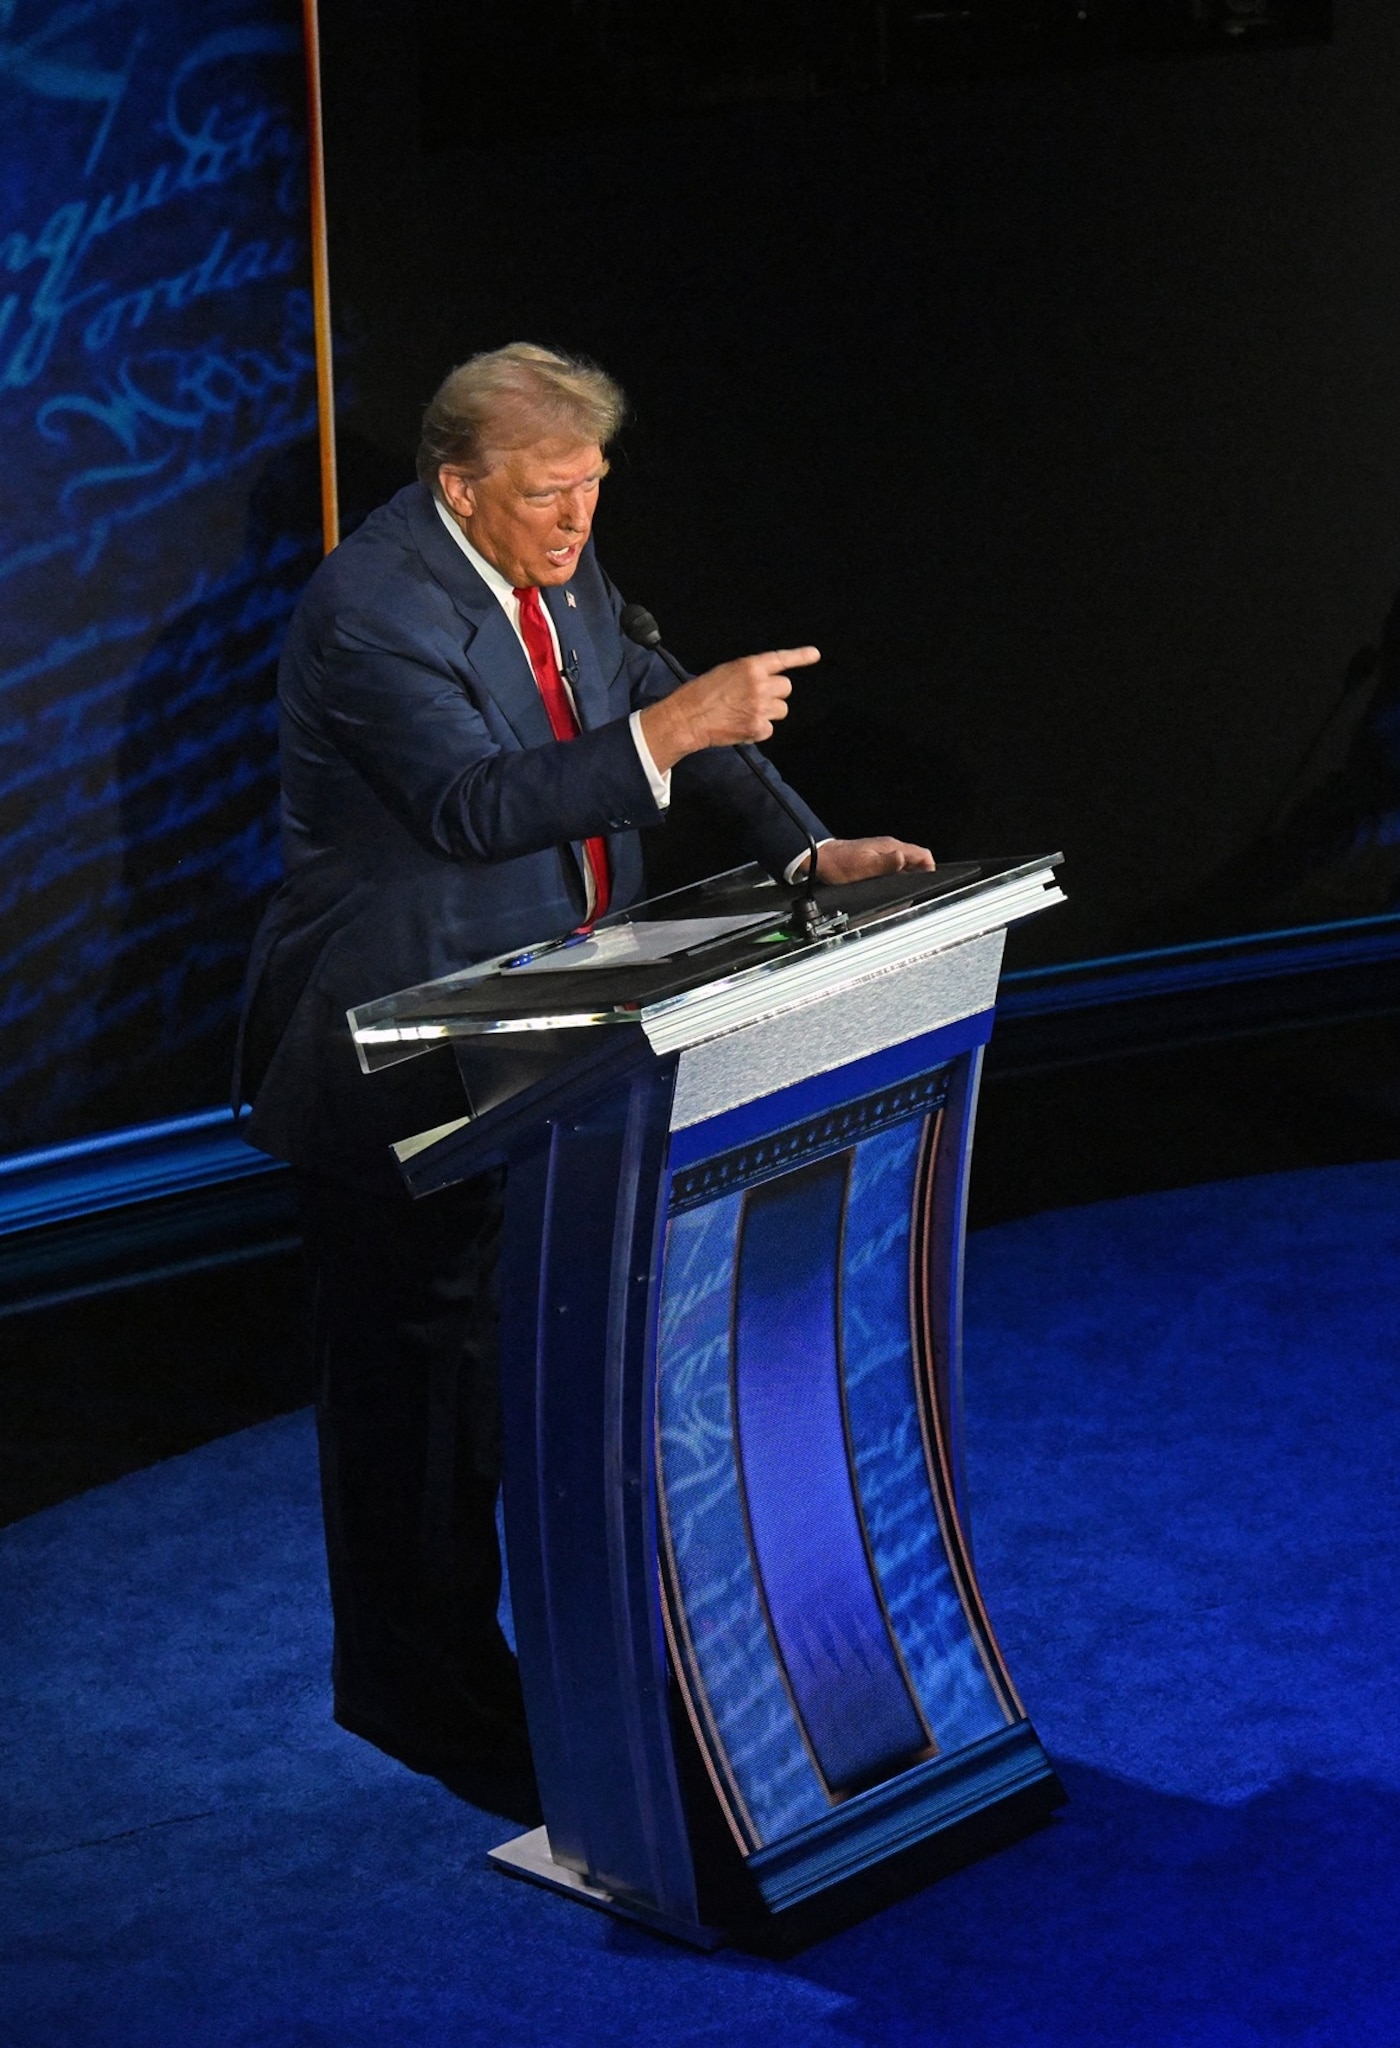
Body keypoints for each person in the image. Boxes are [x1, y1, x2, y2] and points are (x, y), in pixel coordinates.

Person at [237, 344, 933, 1821]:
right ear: (459, 487)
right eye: (549, 497)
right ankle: (419, 1694)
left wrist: (809, 853)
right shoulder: (370, 611)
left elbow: (669, 696)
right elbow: (476, 802)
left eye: (593, 493)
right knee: (414, 1402)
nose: (575, 525)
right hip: (403, 1050)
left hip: (556, 1027)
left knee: (508, 1380)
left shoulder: (562, 566)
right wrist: (673, 732)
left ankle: (518, 1664)